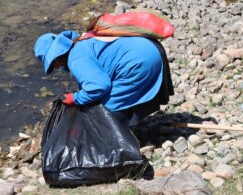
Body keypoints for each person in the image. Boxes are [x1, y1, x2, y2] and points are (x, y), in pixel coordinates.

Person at [34, 30, 174, 127]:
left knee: (107, 106)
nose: (58, 68)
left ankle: (123, 137)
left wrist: (75, 98)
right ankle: (134, 124)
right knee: (112, 95)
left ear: (59, 54)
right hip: (152, 49)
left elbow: (99, 86)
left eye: (55, 63)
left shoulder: (75, 59)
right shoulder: (80, 42)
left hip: (140, 62)